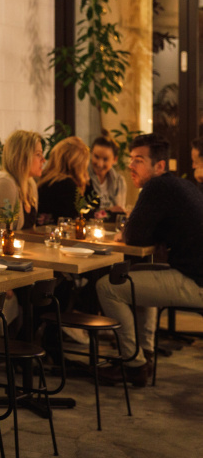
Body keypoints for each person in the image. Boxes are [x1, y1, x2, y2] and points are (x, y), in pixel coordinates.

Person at [96, 134, 203, 386]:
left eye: (139, 160)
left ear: (159, 166)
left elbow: (134, 236)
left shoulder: (156, 186)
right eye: (131, 159)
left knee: (107, 287)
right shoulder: (182, 185)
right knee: (138, 275)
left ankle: (133, 364)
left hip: (195, 280)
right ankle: (146, 353)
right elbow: (147, 234)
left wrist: (129, 231)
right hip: (194, 274)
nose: (131, 166)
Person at [37, 136, 94, 224]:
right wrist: (87, 183)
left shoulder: (45, 178)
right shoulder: (67, 185)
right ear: (77, 164)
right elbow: (85, 216)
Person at [88, 135, 127, 217]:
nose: (100, 164)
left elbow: (119, 212)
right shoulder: (83, 178)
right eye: (96, 157)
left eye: (105, 159)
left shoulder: (119, 182)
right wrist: (108, 211)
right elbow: (82, 212)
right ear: (91, 154)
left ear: (115, 159)